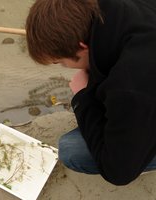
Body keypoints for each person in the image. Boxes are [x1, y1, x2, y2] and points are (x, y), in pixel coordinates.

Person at [25, 0, 156, 185]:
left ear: (82, 47)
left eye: (61, 62)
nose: (64, 67)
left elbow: (118, 173)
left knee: (71, 150)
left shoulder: (130, 88)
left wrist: (81, 98)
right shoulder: (114, 9)